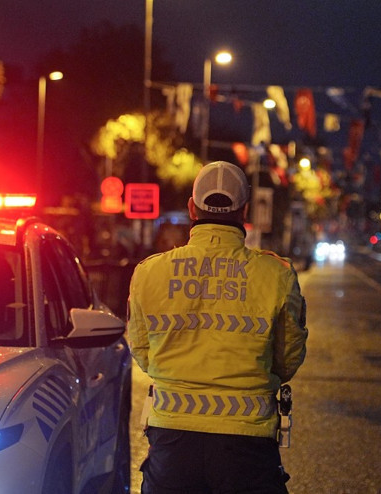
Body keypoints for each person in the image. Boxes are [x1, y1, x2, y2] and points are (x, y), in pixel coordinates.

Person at [127, 161, 309, 494]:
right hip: (248, 447)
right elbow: (288, 360)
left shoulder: (149, 273)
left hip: (171, 441)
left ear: (191, 208)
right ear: (244, 210)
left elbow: (143, 354)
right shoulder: (277, 275)